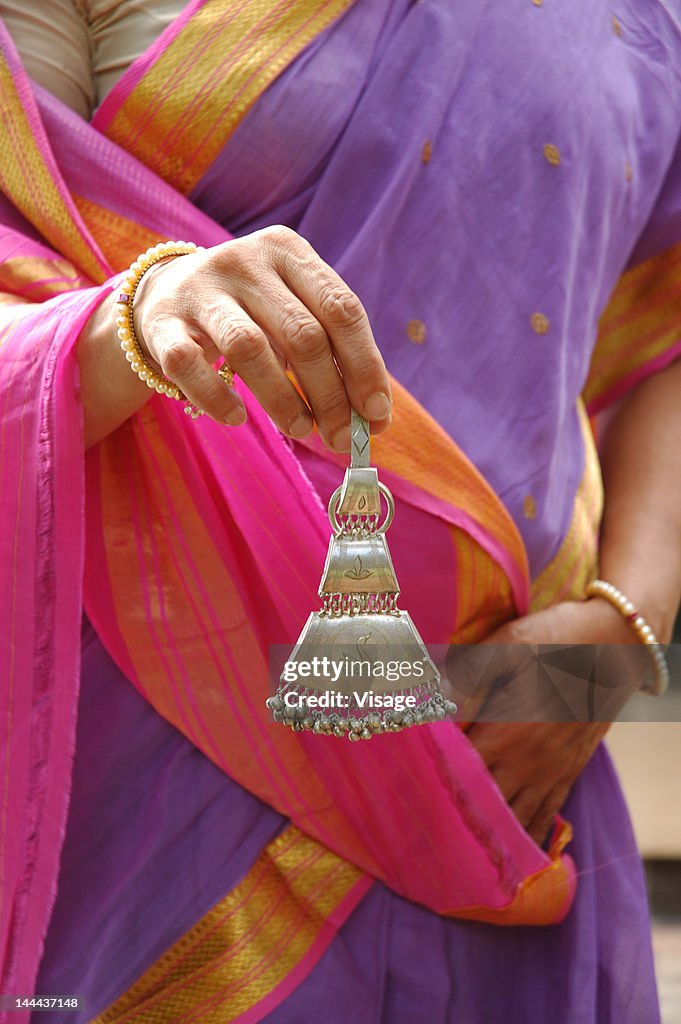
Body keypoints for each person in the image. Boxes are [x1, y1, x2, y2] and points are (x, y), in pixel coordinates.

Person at [1, 1, 681, 1021]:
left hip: (511, 762)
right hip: (157, 784)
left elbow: (657, 341)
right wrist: (142, 319)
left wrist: (613, 641)